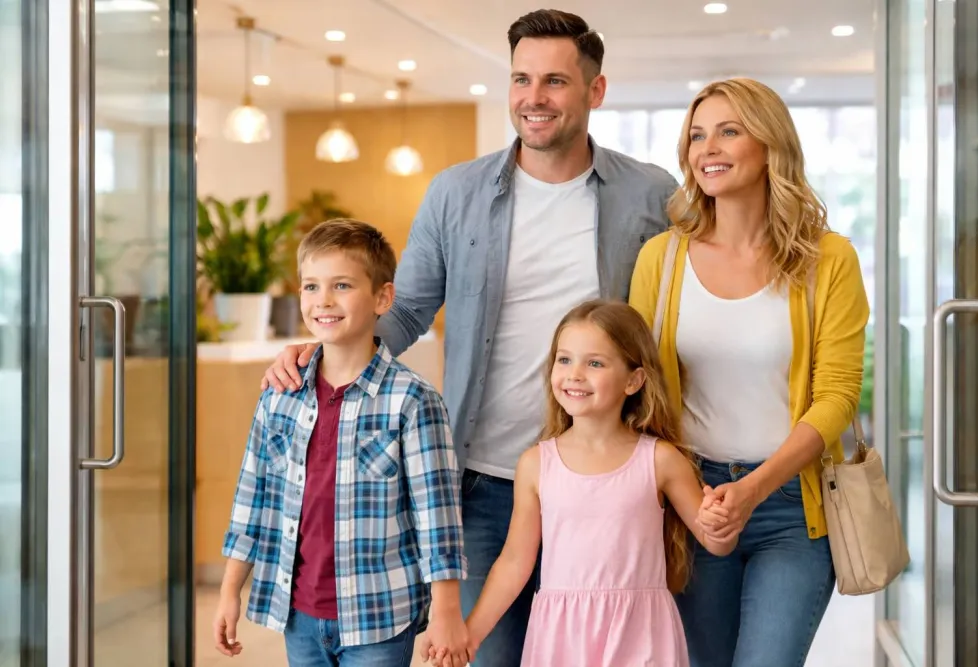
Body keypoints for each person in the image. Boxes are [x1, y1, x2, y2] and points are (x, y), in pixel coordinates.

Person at [260, 9, 679, 665]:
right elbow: (402, 314)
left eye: (554, 82)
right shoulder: (455, 193)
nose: (533, 99)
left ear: (595, 92)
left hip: (603, 484)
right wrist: (321, 353)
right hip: (483, 481)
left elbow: (680, 318)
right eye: (520, 79)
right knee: (482, 654)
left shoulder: (651, 194)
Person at [629, 78, 870, 667]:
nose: (707, 148)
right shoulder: (661, 259)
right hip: (694, 503)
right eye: (696, 135)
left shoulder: (827, 258)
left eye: (729, 131)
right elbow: (640, 385)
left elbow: (837, 395)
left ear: (770, 145)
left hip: (792, 505)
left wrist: (754, 489)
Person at [212, 219, 470, 667]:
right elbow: (252, 498)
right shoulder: (280, 395)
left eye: (342, 285)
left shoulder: (412, 399)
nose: (323, 301)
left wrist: (448, 610)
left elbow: (437, 517)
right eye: (310, 286)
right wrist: (230, 589)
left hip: (380, 616)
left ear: (383, 298)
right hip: (299, 613)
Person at [424, 300, 736, 667]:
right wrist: (471, 635)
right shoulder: (536, 464)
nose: (574, 374)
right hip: (561, 637)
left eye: (595, 363)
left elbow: (714, 541)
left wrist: (721, 524)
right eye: (564, 359)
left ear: (634, 380)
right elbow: (514, 562)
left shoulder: (661, 460)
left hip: (640, 633)